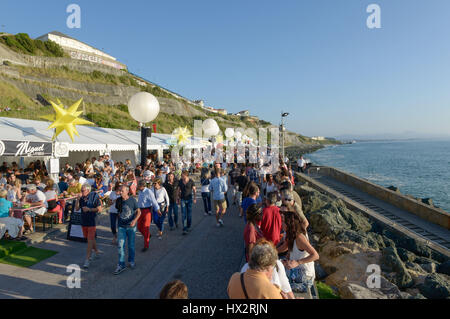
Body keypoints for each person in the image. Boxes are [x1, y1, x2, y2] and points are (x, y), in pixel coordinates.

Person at [280, 211, 319, 293]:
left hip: (305, 277)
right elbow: (290, 250)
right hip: (296, 272)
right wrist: (287, 259)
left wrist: (298, 262)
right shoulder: (291, 234)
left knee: (280, 286)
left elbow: (315, 255)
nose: (281, 223)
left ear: (289, 224)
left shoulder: (299, 237)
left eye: (283, 221)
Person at [75, 183, 102, 269]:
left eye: (83, 191)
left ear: (88, 190)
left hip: (92, 221)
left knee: (89, 241)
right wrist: (77, 199)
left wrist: (89, 209)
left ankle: (87, 259)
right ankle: (97, 252)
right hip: (84, 221)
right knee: (90, 238)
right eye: (81, 190)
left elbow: (99, 209)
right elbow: (76, 209)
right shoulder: (81, 198)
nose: (81, 192)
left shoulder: (94, 196)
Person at [115, 185, 141, 275]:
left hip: (131, 227)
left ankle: (131, 260)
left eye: (122, 191)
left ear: (127, 191)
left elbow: (139, 211)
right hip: (121, 226)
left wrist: (134, 220)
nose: (120, 192)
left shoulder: (132, 200)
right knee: (120, 245)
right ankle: (121, 264)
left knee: (131, 245)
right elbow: (118, 212)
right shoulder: (118, 201)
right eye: (120, 191)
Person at [137, 179, 160, 252]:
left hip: (147, 211)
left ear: (142, 185)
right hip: (140, 211)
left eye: (139, 185)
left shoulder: (148, 192)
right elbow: (139, 201)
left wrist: (158, 210)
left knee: (146, 228)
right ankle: (148, 235)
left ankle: (146, 245)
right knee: (139, 227)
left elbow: (154, 201)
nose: (137, 187)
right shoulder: (140, 192)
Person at [178, 171, 196, 235]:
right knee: (183, 214)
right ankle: (184, 228)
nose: (182, 177)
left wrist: (194, 198)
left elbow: (194, 190)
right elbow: (178, 190)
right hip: (182, 199)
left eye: (182, 176)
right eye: (181, 176)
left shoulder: (191, 181)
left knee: (189, 214)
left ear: (186, 175)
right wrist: (178, 198)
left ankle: (188, 226)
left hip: (189, 199)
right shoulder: (180, 181)